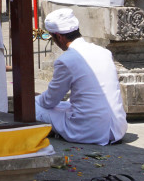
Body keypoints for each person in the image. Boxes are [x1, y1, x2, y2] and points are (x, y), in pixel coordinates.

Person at [36, 8, 127, 145]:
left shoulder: (66, 60)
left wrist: (36, 98)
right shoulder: (104, 52)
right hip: (118, 128)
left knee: (33, 106)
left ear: (59, 37)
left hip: (89, 131)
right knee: (64, 105)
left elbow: (49, 101)